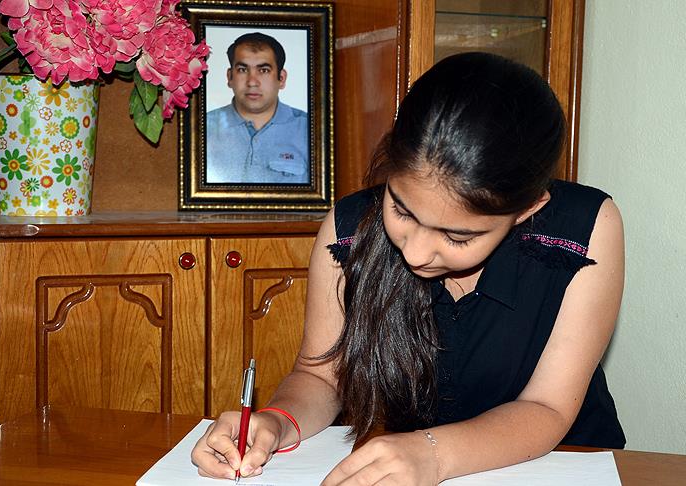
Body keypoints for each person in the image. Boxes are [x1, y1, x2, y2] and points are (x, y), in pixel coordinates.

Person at [192, 52, 626, 485]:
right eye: (401, 209)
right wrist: (277, 422)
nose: (416, 254)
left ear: (528, 209)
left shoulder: (585, 228)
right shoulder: (348, 229)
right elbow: (321, 375)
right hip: (409, 467)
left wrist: (433, 454)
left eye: (457, 237)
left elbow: (548, 407)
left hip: (560, 467)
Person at [205, 32, 309, 184]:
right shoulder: (203, 129)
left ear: (281, 78)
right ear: (230, 77)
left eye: (263, 70)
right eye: (242, 69)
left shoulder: (310, 130)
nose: (252, 82)